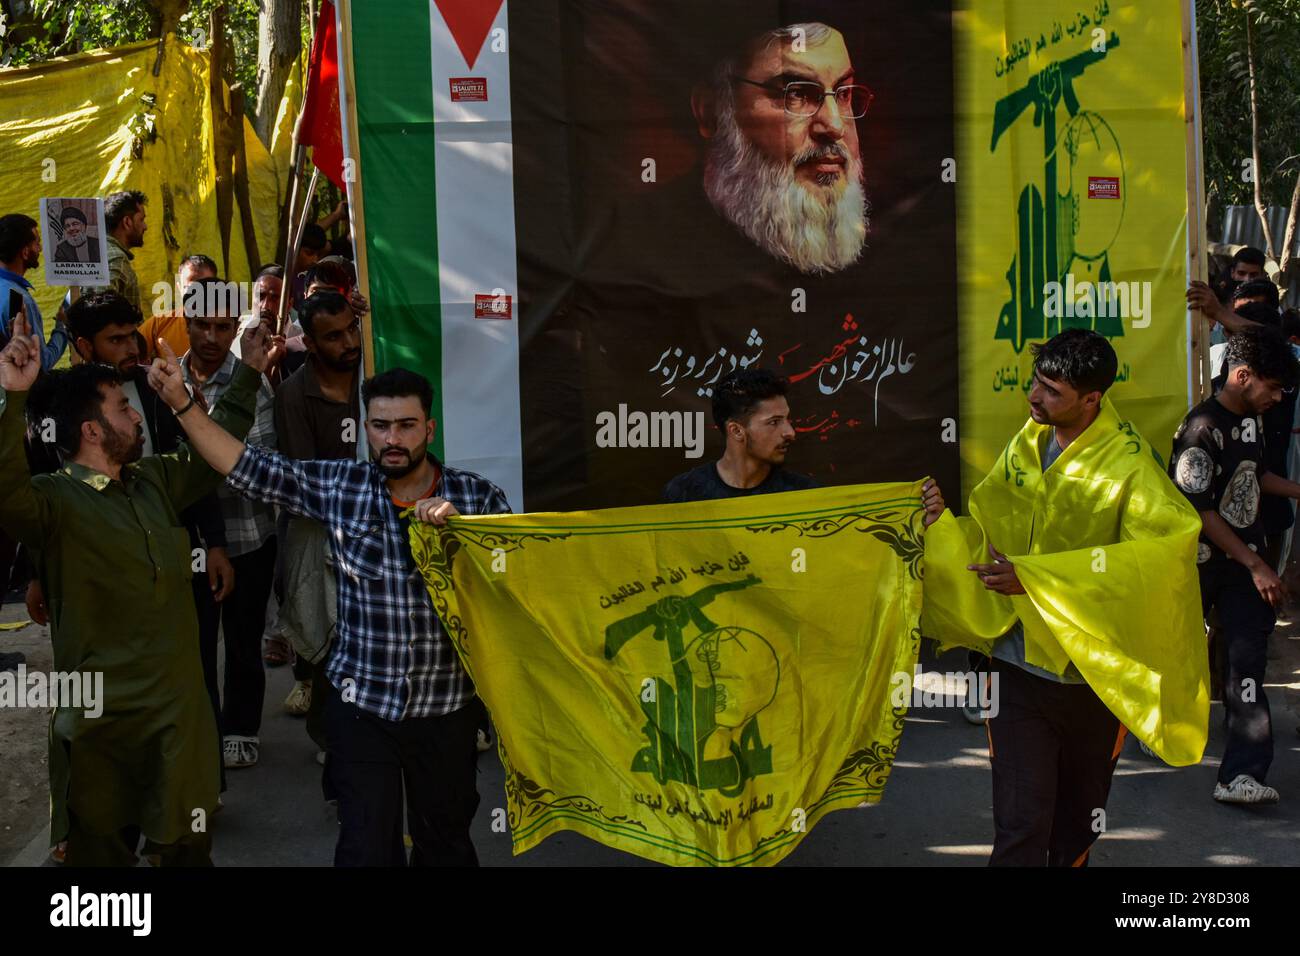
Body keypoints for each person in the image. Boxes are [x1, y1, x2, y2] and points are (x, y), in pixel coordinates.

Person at [148, 357, 511, 866]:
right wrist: (182, 405)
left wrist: (465, 542)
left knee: (446, 846)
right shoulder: (342, 487)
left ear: (429, 428)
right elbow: (245, 466)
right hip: (361, 707)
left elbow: (515, 593)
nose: (393, 439)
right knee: (364, 849)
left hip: (446, 711)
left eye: (407, 426)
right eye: (381, 426)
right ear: (365, 430)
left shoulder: (476, 499)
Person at [923, 329, 1210, 866]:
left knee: (1076, 829)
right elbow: (988, 534)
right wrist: (942, 527)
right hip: (1012, 666)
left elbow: (1163, 556)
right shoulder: (1028, 442)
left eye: (1052, 390)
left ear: (1092, 399)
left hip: (1089, 678)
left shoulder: (1130, 465)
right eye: (1036, 381)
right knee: (1020, 825)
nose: (1035, 396)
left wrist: (1037, 579)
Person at [0, 310, 268, 865]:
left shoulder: (153, 481)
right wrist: (13, 400)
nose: (138, 418)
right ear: (92, 431)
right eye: (124, 408)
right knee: (101, 870)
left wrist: (248, 373)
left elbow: (213, 457)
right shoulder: (52, 501)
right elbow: (5, 488)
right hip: (102, 731)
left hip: (177, 721)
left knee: (187, 849)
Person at [1170, 327, 1300, 805]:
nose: (1278, 397)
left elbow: (1255, 475)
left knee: (1247, 663)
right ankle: (1154, 724)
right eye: (1273, 386)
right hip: (1200, 565)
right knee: (1178, 653)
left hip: (1244, 568)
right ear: (1243, 376)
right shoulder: (1201, 428)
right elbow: (1198, 512)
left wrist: (1296, 490)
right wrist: (1256, 564)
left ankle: (1241, 774)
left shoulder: (1252, 419)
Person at [180, 277, 279, 769]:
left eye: (223, 326)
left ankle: (241, 727)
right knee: (196, 644)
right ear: (186, 322)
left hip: (251, 535)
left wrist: (208, 445)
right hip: (191, 544)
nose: (212, 338)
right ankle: (204, 733)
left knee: (243, 641)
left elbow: (259, 461)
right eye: (202, 325)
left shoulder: (254, 381)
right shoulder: (167, 383)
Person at [272, 290, 362, 752]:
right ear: (308, 342)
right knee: (326, 640)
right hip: (320, 526)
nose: (349, 341)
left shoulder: (378, 372)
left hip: (378, 526)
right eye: (333, 336)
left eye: (353, 328)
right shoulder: (292, 395)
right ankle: (333, 741)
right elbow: (306, 481)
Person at [0, 213, 70, 369]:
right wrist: (62, 327)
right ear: (25, 252)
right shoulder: (18, 299)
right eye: (37, 243)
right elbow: (41, 364)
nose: (40, 248)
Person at [140, 253, 219, 360]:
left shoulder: (228, 325)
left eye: (206, 286)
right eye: (192, 288)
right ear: (179, 287)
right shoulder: (159, 324)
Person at [98, 190, 148, 316]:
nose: (145, 226)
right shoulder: (116, 259)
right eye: (141, 219)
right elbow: (99, 311)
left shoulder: (99, 251)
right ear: (127, 222)